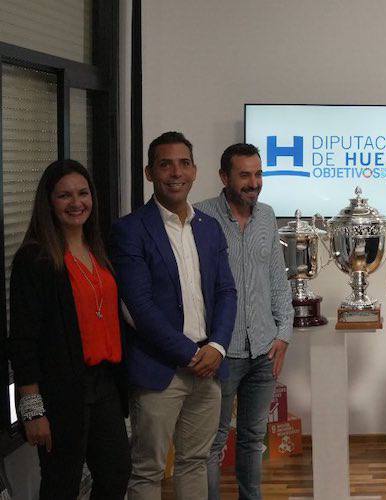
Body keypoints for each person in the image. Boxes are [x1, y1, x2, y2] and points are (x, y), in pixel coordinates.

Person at [111, 131, 237, 500]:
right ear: (150, 173)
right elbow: (138, 306)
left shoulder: (209, 228)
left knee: (195, 462)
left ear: (195, 171)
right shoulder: (130, 230)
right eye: (165, 164)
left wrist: (216, 347)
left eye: (183, 163)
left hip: (209, 366)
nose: (175, 172)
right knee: (148, 469)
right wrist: (188, 354)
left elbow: (226, 292)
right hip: (160, 369)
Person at [8, 159, 131, 498]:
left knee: (115, 475)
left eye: (83, 193)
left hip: (104, 384)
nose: (76, 203)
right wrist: (32, 409)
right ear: (49, 202)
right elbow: (23, 339)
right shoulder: (34, 259)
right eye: (64, 196)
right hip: (61, 390)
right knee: (61, 484)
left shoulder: (98, 249)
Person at [197, 143, 294, 500]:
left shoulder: (267, 216)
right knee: (212, 442)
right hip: (221, 350)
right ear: (224, 177)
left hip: (264, 349)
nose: (254, 183)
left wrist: (283, 334)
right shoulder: (200, 217)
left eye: (258, 174)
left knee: (253, 439)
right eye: (244, 175)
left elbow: (276, 280)